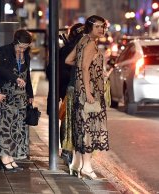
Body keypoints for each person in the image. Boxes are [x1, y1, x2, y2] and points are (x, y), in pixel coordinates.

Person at [65, 15, 109, 179]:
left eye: (102, 26)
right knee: (88, 128)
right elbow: (84, 67)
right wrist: (89, 91)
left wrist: (87, 67)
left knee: (81, 126)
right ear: (90, 27)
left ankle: (77, 164)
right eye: (97, 26)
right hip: (88, 92)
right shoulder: (90, 43)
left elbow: (69, 60)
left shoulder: (82, 40)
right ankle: (87, 167)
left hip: (79, 90)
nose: (101, 29)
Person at [0, 29, 34, 172]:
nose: (22, 50)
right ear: (15, 42)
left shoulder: (26, 55)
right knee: (5, 125)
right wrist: (14, 78)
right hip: (5, 94)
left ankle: (11, 156)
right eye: (20, 47)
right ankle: (4, 157)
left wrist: (30, 93)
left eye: (25, 47)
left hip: (20, 97)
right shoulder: (3, 51)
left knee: (17, 127)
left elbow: (27, 74)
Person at [59, 23, 84, 166]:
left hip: (68, 88)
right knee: (75, 120)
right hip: (74, 88)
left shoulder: (67, 49)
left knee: (67, 120)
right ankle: (71, 151)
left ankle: (66, 150)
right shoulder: (79, 47)